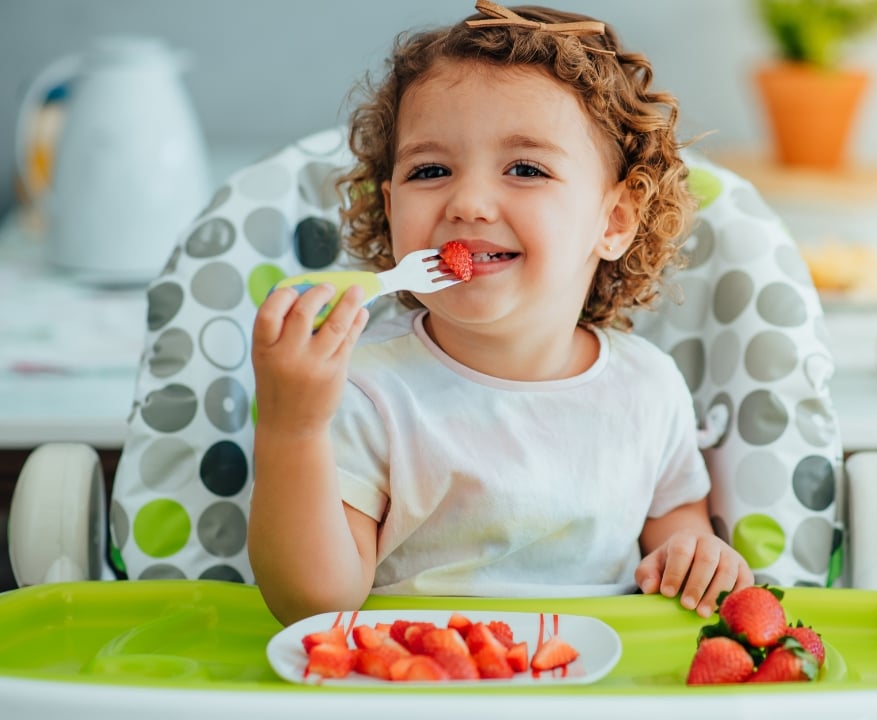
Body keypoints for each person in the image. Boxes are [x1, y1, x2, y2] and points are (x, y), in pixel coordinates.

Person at [248, 1, 753, 626]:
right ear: (389, 207)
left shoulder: (648, 389)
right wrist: (291, 427)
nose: (469, 202)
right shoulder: (366, 391)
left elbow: (678, 530)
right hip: (417, 677)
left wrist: (695, 557)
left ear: (615, 220)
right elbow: (313, 605)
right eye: (431, 170)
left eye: (525, 168)